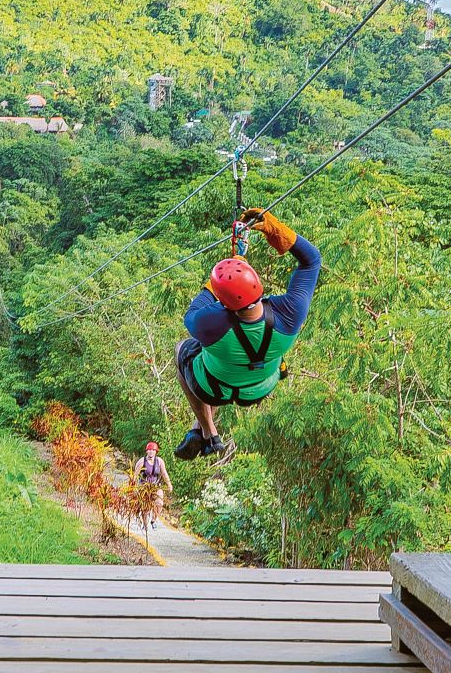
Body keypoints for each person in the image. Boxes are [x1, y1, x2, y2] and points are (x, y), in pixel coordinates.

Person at [173, 208, 321, 460]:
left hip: (213, 389)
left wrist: (227, 271)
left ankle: (208, 431)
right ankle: (201, 430)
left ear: (224, 302)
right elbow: (311, 259)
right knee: (220, 360)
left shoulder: (211, 324)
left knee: (183, 349)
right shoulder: (291, 311)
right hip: (259, 388)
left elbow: (195, 308)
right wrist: (273, 229)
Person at [132, 440, 169, 523]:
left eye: (153, 450)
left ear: (156, 451)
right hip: (144, 486)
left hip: (155, 485)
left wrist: (169, 484)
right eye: (149, 450)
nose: (151, 452)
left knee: (159, 503)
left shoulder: (159, 461)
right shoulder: (142, 461)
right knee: (145, 508)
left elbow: (164, 473)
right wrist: (133, 487)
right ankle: (144, 524)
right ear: (146, 451)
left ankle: (153, 519)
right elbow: (135, 475)